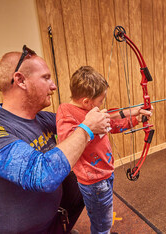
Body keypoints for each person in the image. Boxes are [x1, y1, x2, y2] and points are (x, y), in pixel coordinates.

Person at [0, 46, 111, 234]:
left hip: (55, 224)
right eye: (46, 78)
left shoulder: (43, 118)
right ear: (20, 80)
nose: (54, 86)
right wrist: (87, 128)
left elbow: (94, 121)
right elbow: (42, 175)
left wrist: (133, 114)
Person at [56, 66, 152, 233]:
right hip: (94, 180)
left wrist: (136, 118)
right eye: (100, 100)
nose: (102, 105)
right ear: (86, 101)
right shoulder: (66, 113)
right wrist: (90, 128)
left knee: (103, 212)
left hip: (105, 173)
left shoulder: (90, 110)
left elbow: (112, 124)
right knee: (102, 221)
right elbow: (68, 143)